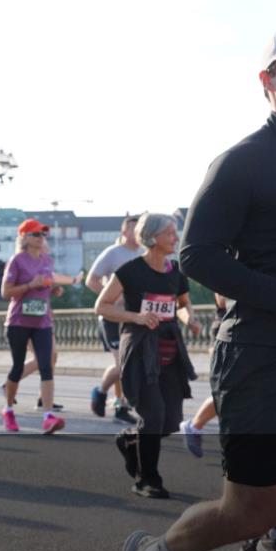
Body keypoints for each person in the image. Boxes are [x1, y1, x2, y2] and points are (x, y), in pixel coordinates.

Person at [112, 26, 276, 551]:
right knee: (250, 512)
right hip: (262, 360)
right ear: (267, 81)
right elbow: (196, 255)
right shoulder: (242, 161)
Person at [96, 213, 200, 498]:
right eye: (170, 233)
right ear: (153, 238)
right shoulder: (130, 271)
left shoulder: (176, 272)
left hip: (171, 353)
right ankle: (147, 480)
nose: (175, 238)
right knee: (153, 417)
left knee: (170, 421)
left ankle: (131, 441)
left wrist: (189, 318)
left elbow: (182, 303)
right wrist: (136, 317)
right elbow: (102, 306)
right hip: (142, 351)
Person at [1, 218, 83, 433]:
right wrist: (31, 285)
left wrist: (53, 290)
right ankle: (8, 409)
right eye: (36, 234)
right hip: (19, 320)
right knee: (18, 366)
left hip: (42, 321)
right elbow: (6, 292)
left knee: (46, 365)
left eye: (43, 234)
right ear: (25, 237)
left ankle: (48, 416)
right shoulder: (17, 260)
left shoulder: (47, 260)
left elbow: (46, 285)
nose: (41, 238)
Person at [87, 215, 142, 424]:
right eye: (132, 228)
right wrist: (110, 297)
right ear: (124, 232)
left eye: (139, 229)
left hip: (134, 317)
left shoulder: (144, 254)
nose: (135, 233)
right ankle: (101, 391)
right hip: (111, 317)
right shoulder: (112, 253)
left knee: (129, 364)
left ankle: (121, 406)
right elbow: (90, 280)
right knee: (123, 364)